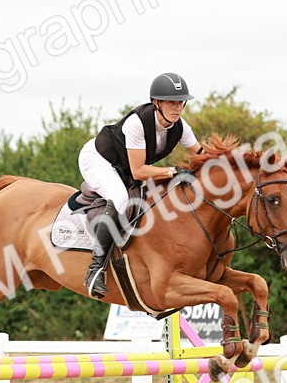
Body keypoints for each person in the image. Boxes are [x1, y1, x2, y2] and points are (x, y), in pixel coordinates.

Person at [77, 72, 203, 298]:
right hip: (98, 160)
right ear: (156, 103)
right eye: (171, 102)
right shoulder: (137, 123)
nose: (177, 108)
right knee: (121, 199)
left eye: (180, 102)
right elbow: (140, 171)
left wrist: (234, 162)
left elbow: (203, 154)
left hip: (125, 168)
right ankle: (95, 268)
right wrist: (173, 171)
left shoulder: (181, 128)